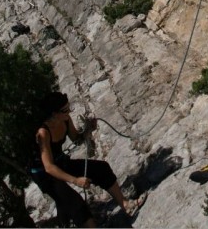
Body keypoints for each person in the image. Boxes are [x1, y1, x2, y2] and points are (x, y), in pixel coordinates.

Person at [30, 92, 144, 227]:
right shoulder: (43, 133)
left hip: (60, 162)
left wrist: (88, 130)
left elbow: (77, 139)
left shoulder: (65, 120)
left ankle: (125, 204)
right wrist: (75, 180)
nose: (69, 112)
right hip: (44, 173)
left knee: (101, 169)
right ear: (54, 113)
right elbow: (49, 167)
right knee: (75, 203)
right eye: (65, 110)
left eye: (69, 108)